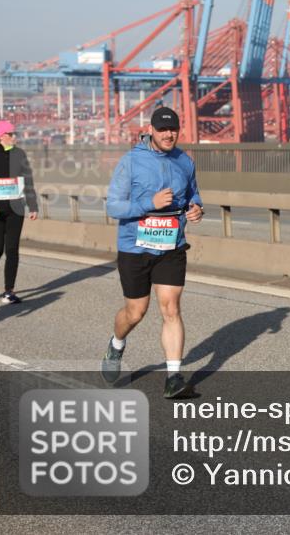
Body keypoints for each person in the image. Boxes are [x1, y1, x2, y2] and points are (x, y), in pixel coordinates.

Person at [100, 107, 204, 398]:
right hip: (135, 247)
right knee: (136, 312)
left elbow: (193, 194)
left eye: (174, 129)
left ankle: (173, 378)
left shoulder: (185, 161)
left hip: (172, 246)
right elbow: (113, 206)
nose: (169, 134)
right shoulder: (131, 161)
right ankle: (116, 344)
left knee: (171, 308)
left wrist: (197, 208)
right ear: (151, 130)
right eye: (163, 130)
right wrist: (149, 203)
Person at [0, 120, 39, 303]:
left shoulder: (19, 154)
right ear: (1, 136)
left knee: (12, 250)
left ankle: (9, 292)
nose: (14, 137)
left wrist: (33, 205)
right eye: (11, 134)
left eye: (14, 134)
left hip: (16, 209)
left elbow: (28, 181)